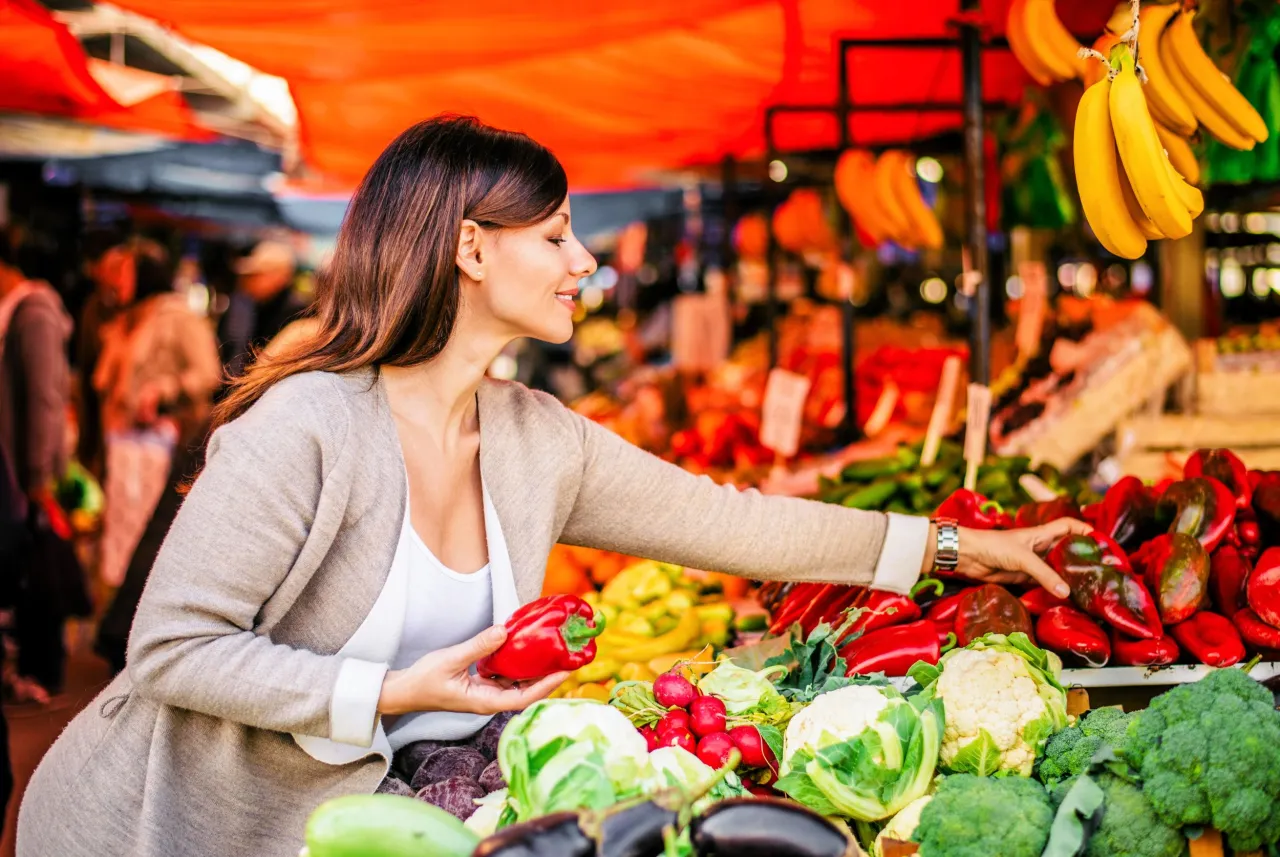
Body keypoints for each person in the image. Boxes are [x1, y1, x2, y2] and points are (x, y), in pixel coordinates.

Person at [17, 116, 1087, 857]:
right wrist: (394, 691)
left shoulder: (539, 440)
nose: (582, 260)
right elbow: (170, 646)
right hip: (161, 825)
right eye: (555, 234)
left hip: (344, 823)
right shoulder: (306, 428)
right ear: (471, 249)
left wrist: (956, 547)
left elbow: (734, 523)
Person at [91, 252, 221, 646]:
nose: (113, 281)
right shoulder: (127, 318)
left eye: (122, 272)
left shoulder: (177, 316)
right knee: (120, 533)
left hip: (162, 444)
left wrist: (164, 392)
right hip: (123, 442)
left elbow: (209, 372)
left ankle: (136, 631)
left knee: (149, 533)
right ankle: (120, 625)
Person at [0, 229, 77, 701]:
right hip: (14, 470)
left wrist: (37, 478)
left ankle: (42, 668)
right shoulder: (18, 310)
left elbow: (45, 399)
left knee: (35, 563)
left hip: (24, 473)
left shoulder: (34, 311)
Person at [75, 229, 136, 476]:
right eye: (113, 272)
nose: (119, 280)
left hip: (129, 426)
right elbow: (88, 370)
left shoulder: (140, 315)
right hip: (100, 411)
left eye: (125, 272)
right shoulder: (93, 310)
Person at [217, 239, 305, 379]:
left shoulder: (297, 312)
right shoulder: (259, 305)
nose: (248, 281)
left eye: (256, 275)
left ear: (279, 276)